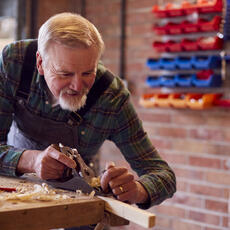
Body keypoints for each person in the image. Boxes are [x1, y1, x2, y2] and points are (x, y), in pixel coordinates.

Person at [0, 12, 176, 229]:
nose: (77, 85)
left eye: (87, 73)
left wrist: (137, 190)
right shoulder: (15, 63)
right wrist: (31, 161)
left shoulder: (111, 97)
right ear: (40, 63)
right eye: (65, 74)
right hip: (15, 194)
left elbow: (163, 175)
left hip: (78, 200)